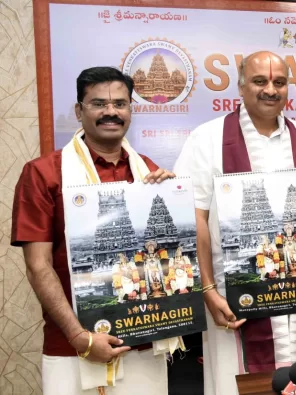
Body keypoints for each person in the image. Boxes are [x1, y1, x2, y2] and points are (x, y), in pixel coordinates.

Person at [11, 67, 176, 395]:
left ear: (131, 110)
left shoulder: (149, 171)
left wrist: (172, 199)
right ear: (79, 110)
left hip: (145, 342)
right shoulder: (44, 174)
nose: (111, 112)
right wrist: (79, 337)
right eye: (99, 104)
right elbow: (37, 265)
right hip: (73, 347)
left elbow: (168, 252)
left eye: (120, 104)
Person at [173, 51, 296, 394]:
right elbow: (193, 218)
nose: (270, 90)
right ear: (241, 87)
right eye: (260, 81)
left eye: (279, 82)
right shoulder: (208, 137)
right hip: (235, 299)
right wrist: (208, 290)